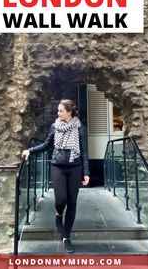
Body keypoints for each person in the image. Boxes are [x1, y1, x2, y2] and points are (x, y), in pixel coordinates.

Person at [22, 99, 90, 253]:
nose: (58, 113)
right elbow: (47, 144)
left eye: (61, 111)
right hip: (57, 166)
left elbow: (85, 151)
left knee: (72, 202)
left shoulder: (80, 128)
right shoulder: (55, 126)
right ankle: (59, 214)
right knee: (61, 200)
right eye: (58, 110)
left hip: (75, 167)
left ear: (69, 112)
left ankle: (66, 237)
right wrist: (30, 151)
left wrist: (86, 172)